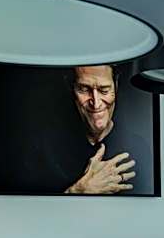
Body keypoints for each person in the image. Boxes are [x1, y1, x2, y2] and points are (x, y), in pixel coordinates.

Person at [59, 65, 155, 195]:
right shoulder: (46, 147)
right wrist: (79, 190)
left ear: (116, 86)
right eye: (84, 89)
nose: (96, 104)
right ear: (71, 88)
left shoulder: (138, 148)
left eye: (104, 90)